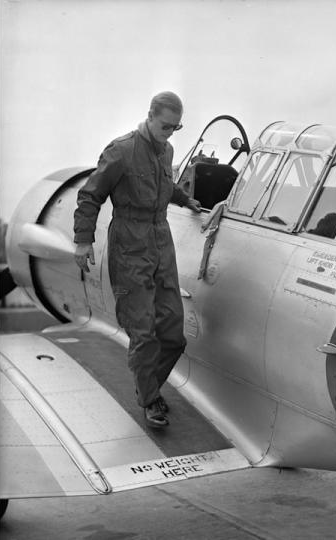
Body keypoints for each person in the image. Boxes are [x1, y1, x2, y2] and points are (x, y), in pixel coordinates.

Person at [72, 91, 200, 428]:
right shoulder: (121, 150)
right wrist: (83, 241)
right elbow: (90, 196)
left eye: (176, 128)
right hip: (130, 246)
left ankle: (147, 388)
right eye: (165, 126)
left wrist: (187, 200)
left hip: (162, 242)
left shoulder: (167, 150)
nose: (170, 133)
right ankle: (150, 399)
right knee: (144, 334)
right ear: (150, 116)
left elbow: (165, 185)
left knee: (173, 334)